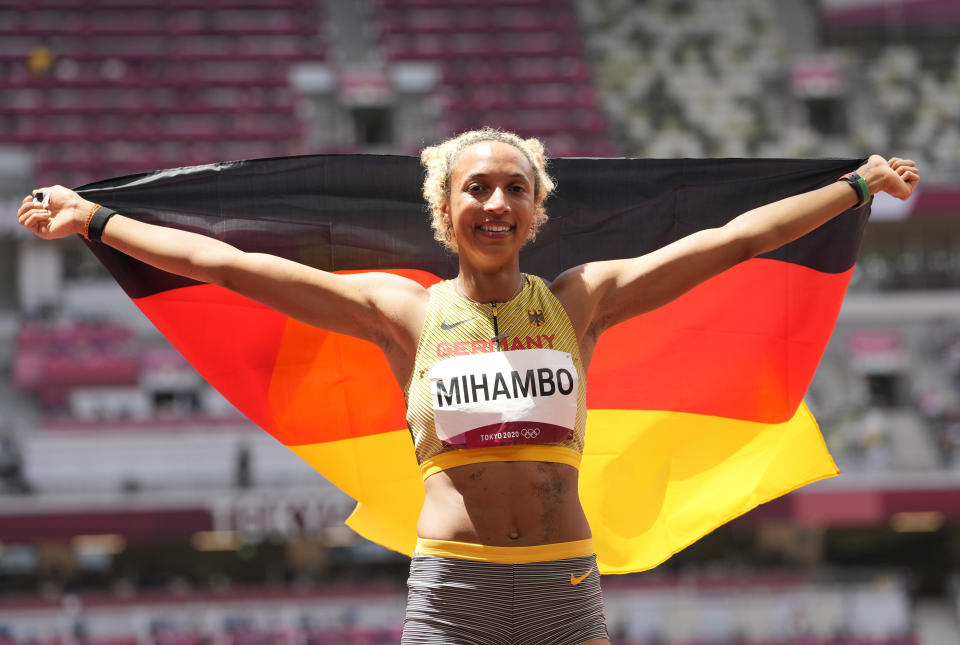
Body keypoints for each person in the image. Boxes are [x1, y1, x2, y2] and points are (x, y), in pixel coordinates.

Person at [18, 128, 919, 644]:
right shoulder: (399, 312)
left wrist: (852, 187)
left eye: (513, 188)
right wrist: (98, 217)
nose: (495, 202)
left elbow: (733, 243)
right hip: (453, 591)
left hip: (566, 583)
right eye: (475, 188)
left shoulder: (584, 299)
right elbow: (224, 264)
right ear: (444, 212)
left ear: (538, 210)